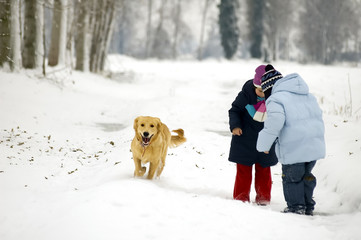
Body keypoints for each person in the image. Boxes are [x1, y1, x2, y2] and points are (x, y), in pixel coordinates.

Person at [256, 64, 326, 215]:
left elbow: (274, 123)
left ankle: (296, 207)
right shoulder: (307, 95)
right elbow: (318, 117)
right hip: (313, 146)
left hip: (293, 149)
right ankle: (307, 205)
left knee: (292, 179)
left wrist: (263, 145)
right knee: (306, 176)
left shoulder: (275, 99)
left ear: (269, 88)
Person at [228, 65, 278, 205]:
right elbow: (234, 111)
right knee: (243, 171)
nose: (263, 94)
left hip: (265, 140)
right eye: (260, 90)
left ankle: (263, 198)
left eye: (266, 91)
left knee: (264, 171)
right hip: (244, 139)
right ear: (255, 87)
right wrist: (235, 126)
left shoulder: (274, 99)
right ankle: (241, 197)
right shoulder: (245, 95)